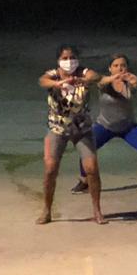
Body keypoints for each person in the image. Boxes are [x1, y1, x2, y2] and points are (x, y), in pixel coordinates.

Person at [71, 54, 137, 196]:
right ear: (110, 68)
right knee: (85, 148)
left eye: (123, 65)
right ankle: (85, 181)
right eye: (116, 66)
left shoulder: (129, 84)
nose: (120, 68)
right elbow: (99, 80)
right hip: (105, 126)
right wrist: (113, 78)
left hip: (128, 127)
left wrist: (136, 80)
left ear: (127, 68)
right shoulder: (103, 84)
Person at [37, 44, 105, 225]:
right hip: (57, 129)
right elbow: (42, 81)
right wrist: (57, 84)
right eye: (65, 58)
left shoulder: (83, 72)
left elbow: (96, 76)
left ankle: (97, 210)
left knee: (92, 168)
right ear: (58, 60)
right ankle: (46, 210)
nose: (69, 61)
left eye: (72, 57)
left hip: (82, 129)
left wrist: (84, 80)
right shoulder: (53, 75)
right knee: (50, 169)